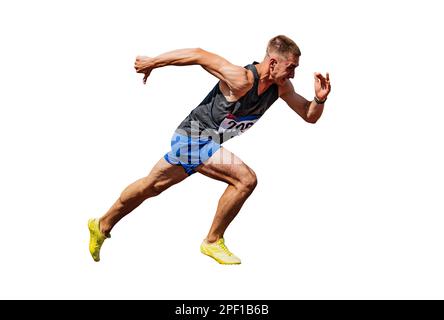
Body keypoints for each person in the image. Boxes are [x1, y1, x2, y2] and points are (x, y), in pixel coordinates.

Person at [88, 35, 331, 264]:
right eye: (291, 67)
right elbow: (198, 54)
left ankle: (101, 225)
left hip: (204, 144)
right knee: (245, 179)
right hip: (193, 137)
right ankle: (213, 241)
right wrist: (152, 62)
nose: (293, 74)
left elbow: (308, 115)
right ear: (274, 62)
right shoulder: (242, 78)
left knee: (151, 186)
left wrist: (319, 99)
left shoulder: (282, 88)